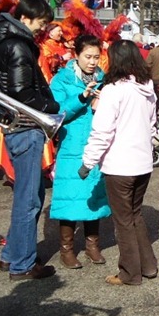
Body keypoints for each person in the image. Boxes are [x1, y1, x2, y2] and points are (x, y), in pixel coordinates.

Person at [0, 0, 60, 280]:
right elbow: (21, 93)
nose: (42, 29)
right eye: (41, 23)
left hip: (17, 126)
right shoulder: (17, 45)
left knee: (28, 195)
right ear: (25, 19)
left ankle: (12, 255)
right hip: (25, 125)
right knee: (29, 199)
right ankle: (23, 264)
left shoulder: (5, 42)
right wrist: (51, 107)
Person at [79, 40, 158, 285]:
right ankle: (148, 266)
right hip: (143, 163)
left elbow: (102, 131)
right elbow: (152, 124)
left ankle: (129, 273)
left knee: (123, 221)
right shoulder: (147, 87)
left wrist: (87, 162)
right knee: (135, 215)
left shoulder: (114, 90)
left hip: (120, 164)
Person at [50, 35, 111, 269]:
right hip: (72, 144)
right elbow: (57, 113)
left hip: (96, 144)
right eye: (88, 56)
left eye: (97, 57)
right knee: (69, 197)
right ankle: (66, 249)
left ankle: (92, 245)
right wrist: (82, 97)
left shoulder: (102, 79)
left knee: (93, 196)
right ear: (76, 54)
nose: (93, 62)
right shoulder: (62, 79)